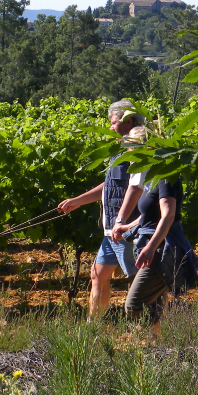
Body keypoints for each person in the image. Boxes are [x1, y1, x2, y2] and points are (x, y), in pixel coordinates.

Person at [57, 100, 146, 318]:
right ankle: (94, 327)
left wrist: (122, 222)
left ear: (129, 121)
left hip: (126, 230)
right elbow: (110, 187)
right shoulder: (122, 151)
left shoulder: (138, 152)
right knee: (97, 274)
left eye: (113, 122)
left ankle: (147, 329)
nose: (110, 127)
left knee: (140, 280)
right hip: (111, 229)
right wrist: (78, 200)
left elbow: (137, 189)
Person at [112, 174, 198, 326]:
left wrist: (151, 247)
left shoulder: (167, 177)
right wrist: (126, 228)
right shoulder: (153, 178)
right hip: (152, 245)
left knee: (134, 306)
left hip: (161, 249)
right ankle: (157, 344)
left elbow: (168, 215)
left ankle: (170, 335)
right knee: (154, 305)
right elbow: (149, 214)